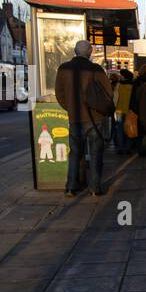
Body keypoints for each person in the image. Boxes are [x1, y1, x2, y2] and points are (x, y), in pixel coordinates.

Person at [54, 40, 115, 196]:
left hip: (75, 119)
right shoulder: (96, 69)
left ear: (75, 51)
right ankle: (95, 188)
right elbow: (108, 93)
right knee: (96, 154)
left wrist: (71, 108)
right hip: (95, 118)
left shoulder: (63, 69)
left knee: (75, 153)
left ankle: (71, 186)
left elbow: (59, 94)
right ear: (89, 52)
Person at [113, 69, 134, 155]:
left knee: (120, 129)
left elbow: (115, 98)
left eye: (121, 75)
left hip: (119, 111)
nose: (120, 76)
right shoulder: (133, 86)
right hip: (129, 110)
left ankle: (120, 148)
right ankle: (128, 148)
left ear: (124, 76)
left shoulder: (119, 85)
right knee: (129, 129)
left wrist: (113, 108)